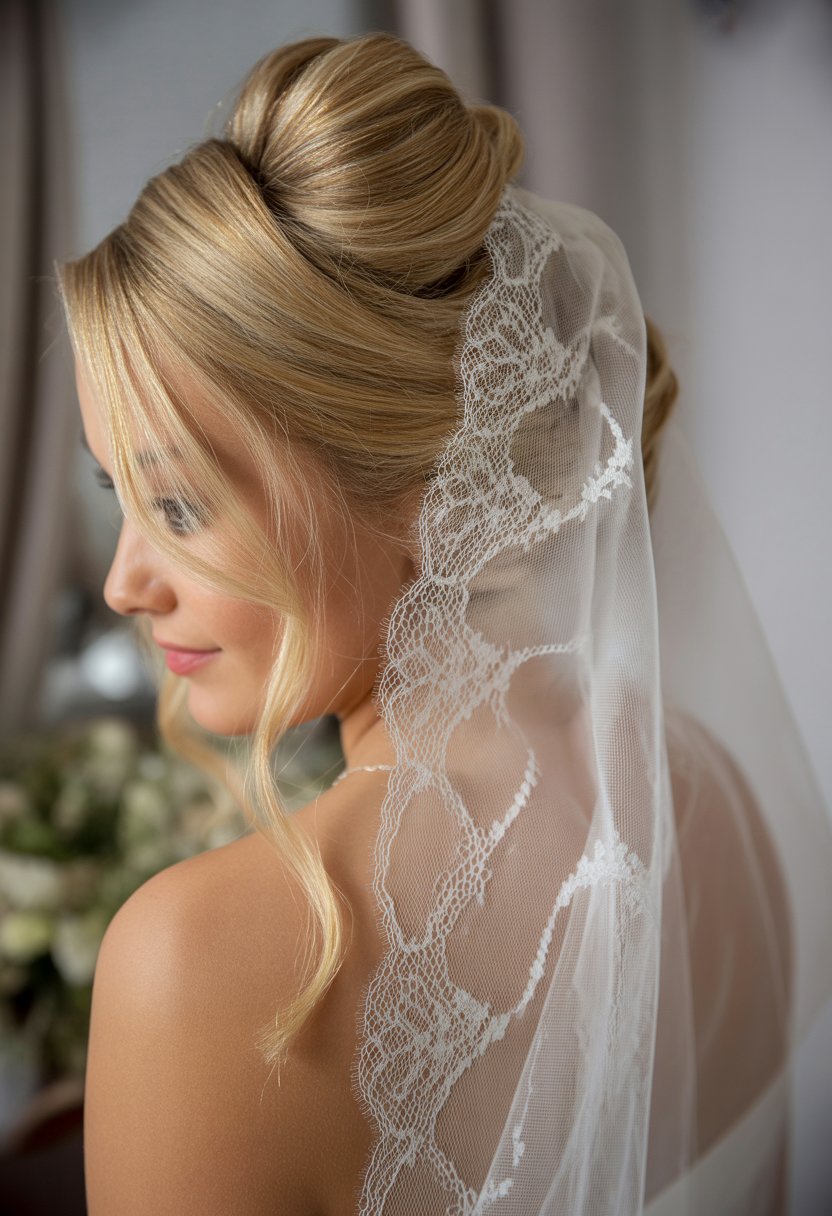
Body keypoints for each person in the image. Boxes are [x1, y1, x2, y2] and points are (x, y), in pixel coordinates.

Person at [58, 32, 832, 1216]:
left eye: (178, 504)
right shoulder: (711, 794)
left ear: (431, 486)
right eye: (121, 496)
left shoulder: (199, 967)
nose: (124, 582)